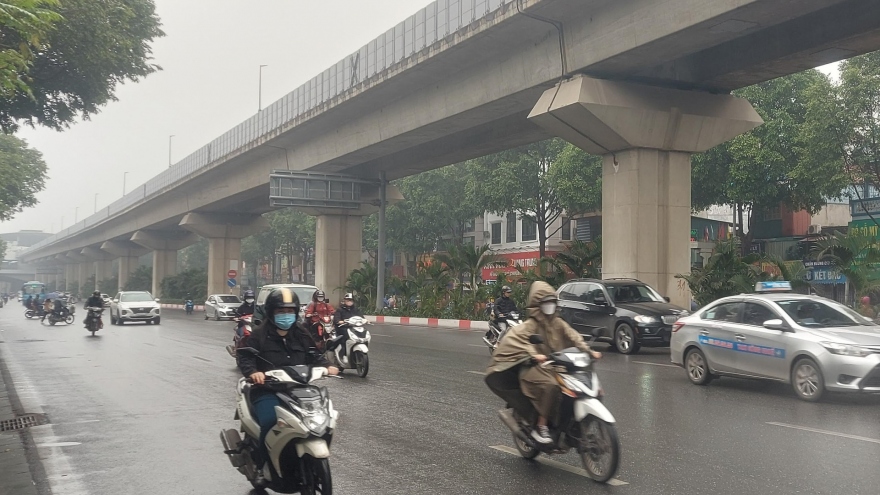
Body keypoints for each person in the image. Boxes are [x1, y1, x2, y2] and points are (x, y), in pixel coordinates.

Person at [237, 287, 338, 485]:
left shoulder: (301, 333)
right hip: (267, 390)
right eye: (281, 311)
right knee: (270, 422)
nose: (286, 315)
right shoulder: (259, 335)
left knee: (322, 418)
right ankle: (262, 467)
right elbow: (245, 357)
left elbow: (314, 355)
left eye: (290, 311)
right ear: (271, 312)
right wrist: (253, 373)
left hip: (299, 389)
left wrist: (327, 366)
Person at [485, 281, 601, 445]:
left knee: (589, 388)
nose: (549, 306)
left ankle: (574, 425)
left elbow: (574, 337)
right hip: (532, 367)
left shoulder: (558, 323)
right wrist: (535, 355)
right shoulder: (530, 326)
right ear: (537, 304)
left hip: (555, 365)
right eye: (546, 302)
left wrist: (589, 351)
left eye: (552, 302)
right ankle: (541, 425)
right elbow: (524, 342)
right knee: (551, 386)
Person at [332, 293, 364, 358]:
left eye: (351, 300)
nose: (349, 301)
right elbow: (336, 320)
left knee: (363, 333)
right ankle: (344, 355)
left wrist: (365, 320)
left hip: (353, 328)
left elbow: (361, 317)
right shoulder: (340, 309)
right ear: (344, 300)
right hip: (342, 328)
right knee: (345, 338)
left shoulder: (355, 309)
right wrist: (341, 321)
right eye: (348, 300)